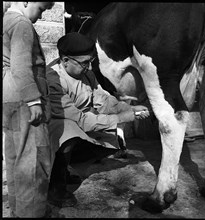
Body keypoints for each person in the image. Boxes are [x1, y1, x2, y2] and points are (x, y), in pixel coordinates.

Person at [46, 32, 149, 207]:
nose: (88, 67)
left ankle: (63, 171)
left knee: (112, 138)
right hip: (54, 130)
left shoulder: (87, 74)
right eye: (84, 62)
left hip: (79, 124)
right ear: (65, 61)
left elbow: (103, 99)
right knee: (67, 130)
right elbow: (79, 119)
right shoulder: (53, 79)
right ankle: (55, 188)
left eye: (91, 62)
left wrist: (129, 109)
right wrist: (121, 117)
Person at [3, 2, 54, 218]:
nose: (40, 15)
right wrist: (34, 100)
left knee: (15, 155)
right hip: (24, 97)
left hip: (9, 95)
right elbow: (21, 66)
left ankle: (17, 208)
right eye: (41, 8)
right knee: (33, 161)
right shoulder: (22, 24)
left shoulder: (5, 21)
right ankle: (31, 213)